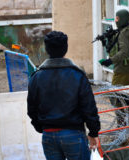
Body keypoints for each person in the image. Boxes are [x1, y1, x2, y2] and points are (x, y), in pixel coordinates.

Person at [27, 31, 100, 160]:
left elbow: (31, 108)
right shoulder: (77, 75)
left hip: (48, 135)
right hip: (73, 134)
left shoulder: (36, 77)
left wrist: (42, 128)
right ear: (65, 48)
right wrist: (93, 131)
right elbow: (89, 107)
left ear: (46, 49)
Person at [99, 9, 129, 133]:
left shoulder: (125, 33)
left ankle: (121, 124)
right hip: (127, 68)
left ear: (123, 18)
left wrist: (110, 61)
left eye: (117, 18)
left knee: (116, 96)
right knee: (127, 96)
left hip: (123, 70)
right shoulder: (125, 31)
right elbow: (116, 49)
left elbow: (124, 52)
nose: (116, 21)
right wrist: (106, 41)